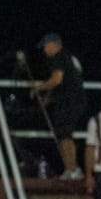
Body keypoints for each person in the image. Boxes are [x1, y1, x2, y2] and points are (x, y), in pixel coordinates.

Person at [30, 34, 86, 180]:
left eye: (45, 46)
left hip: (69, 102)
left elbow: (56, 80)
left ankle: (73, 169)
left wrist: (39, 88)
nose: (44, 50)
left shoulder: (59, 57)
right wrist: (47, 98)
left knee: (66, 136)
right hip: (70, 101)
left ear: (54, 44)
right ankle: (69, 168)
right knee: (62, 135)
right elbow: (60, 83)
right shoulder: (68, 58)